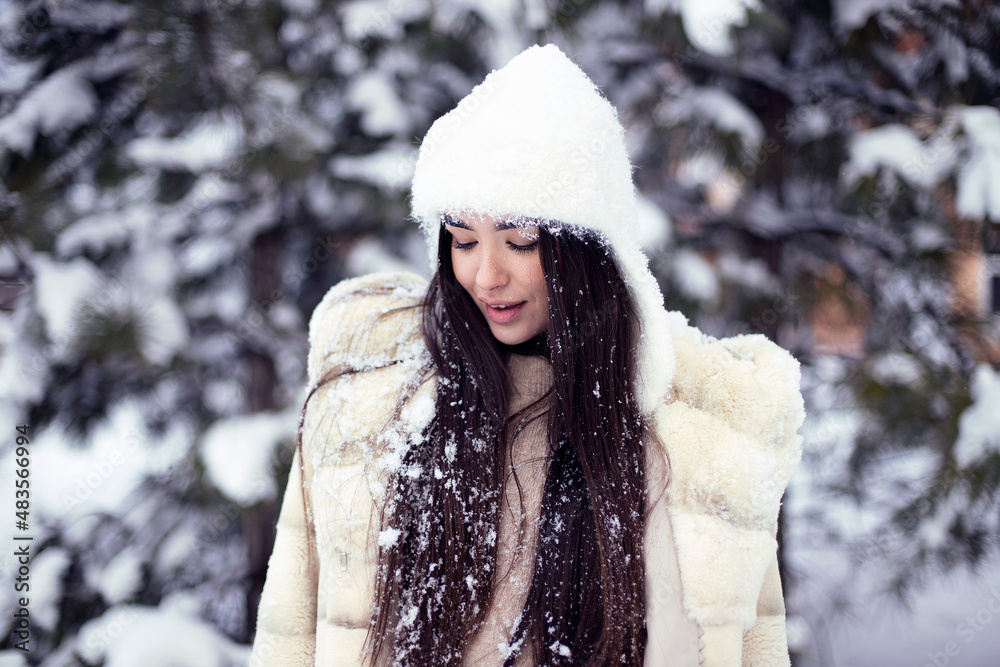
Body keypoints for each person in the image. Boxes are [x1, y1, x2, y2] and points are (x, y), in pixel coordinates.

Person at [250, 44, 805, 667]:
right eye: (463, 241)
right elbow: (289, 641)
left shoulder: (704, 439)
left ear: (590, 251)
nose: (486, 276)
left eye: (519, 242)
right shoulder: (366, 405)